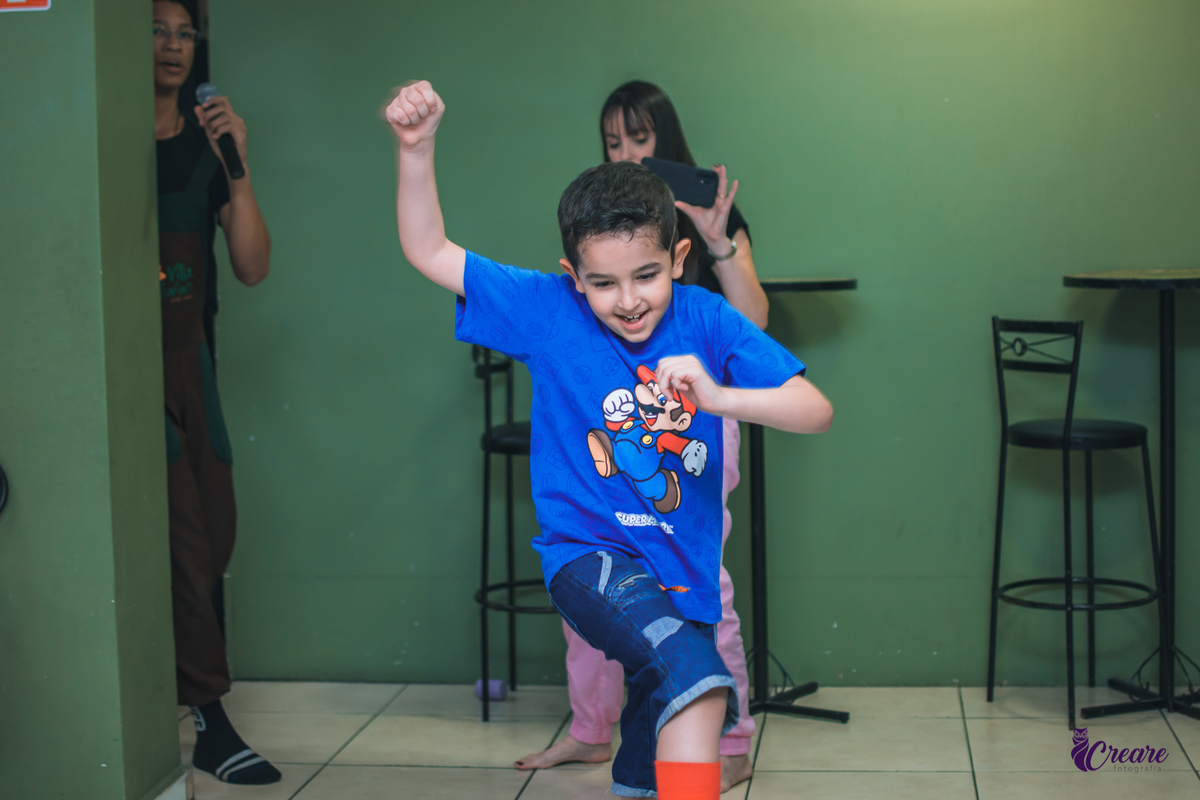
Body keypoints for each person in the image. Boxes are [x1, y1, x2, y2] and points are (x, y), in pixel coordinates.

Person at [386, 80, 832, 800]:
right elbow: (427, 248)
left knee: (660, 728)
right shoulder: (546, 309)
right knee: (697, 677)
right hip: (588, 559)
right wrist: (417, 147)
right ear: (573, 277)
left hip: (680, 570)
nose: (628, 301)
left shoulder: (708, 320)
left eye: (647, 276)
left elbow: (814, 409)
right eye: (603, 283)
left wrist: (719, 398)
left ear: (680, 259)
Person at [516, 80, 765, 794]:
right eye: (613, 142)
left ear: (668, 138)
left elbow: (757, 319)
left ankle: (729, 734)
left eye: (640, 138)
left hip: (694, 420)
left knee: (697, 588)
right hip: (612, 417)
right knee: (594, 582)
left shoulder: (710, 212)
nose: (628, 153)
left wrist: (720, 246)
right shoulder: (604, 220)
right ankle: (594, 730)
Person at [152, 0, 276, 785]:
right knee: (183, 547)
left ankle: (184, 693)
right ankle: (210, 717)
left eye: (183, 33)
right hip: (131, 368)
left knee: (215, 529)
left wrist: (239, 161)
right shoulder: (105, 140)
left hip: (191, 360)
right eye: (156, 30)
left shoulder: (207, 147)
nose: (171, 45)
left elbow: (254, 264)